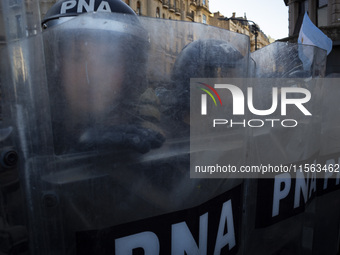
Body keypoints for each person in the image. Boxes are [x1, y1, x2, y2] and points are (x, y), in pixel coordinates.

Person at [42, 0, 164, 155]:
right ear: (55, 66)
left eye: (109, 59)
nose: (92, 73)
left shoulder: (154, 141)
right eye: (77, 56)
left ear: (131, 72)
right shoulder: (27, 142)